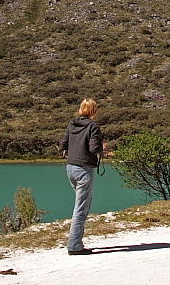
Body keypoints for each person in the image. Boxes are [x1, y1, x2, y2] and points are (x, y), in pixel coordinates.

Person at [60, 98, 103, 255]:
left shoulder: (72, 124)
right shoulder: (93, 127)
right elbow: (94, 149)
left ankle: (76, 241)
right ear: (94, 111)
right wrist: (102, 148)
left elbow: (63, 145)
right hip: (84, 169)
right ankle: (74, 245)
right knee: (81, 207)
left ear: (80, 109)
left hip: (71, 168)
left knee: (83, 204)